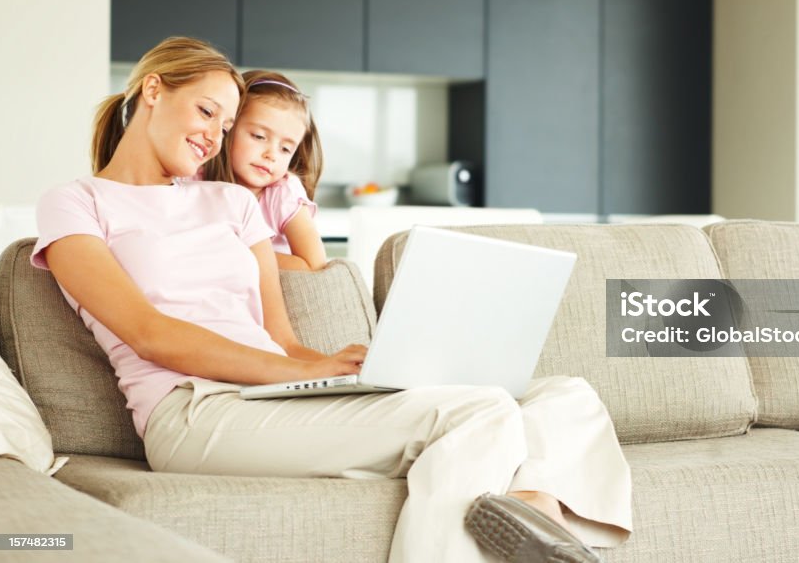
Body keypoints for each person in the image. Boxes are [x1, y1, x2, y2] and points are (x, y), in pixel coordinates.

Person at [31, 36, 632, 563]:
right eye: (208, 111)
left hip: (273, 394)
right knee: (480, 412)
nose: (214, 135)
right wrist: (303, 371)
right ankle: (521, 512)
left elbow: (280, 335)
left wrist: (332, 367)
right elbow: (149, 333)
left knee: (563, 394)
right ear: (153, 90)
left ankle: (530, 506)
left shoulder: (235, 204)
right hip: (193, 412)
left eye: (226, 124)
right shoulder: (76, 203)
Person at [202, 70, 326, 271]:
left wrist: (236, 252)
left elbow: (314, 265)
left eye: (285, 149)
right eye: (259, 136)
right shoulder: (197, 179)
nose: (271, 154)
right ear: (228, 127)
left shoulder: (283, 192)